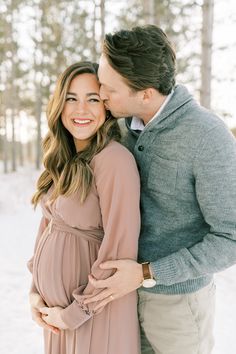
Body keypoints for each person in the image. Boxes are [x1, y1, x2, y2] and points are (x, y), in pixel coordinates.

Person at [83, 25, 236, 354]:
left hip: (177, 308)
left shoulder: (207, 137)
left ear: (146, 93)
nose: (101, 94)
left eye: (109, 88)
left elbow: (231, 238)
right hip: (121, 301)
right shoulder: (119, 126)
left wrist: (146, 273)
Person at [27, 61, 141, 354]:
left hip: (95, 315)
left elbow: (119, 250)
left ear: (106, 107)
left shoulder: (114, 160)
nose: (81, 109)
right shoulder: (63, 161)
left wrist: (75, 313)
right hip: (59, 317)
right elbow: (48, 228)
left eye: (92, 99)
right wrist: (35, 295)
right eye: (71, 99)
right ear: (59, 105)